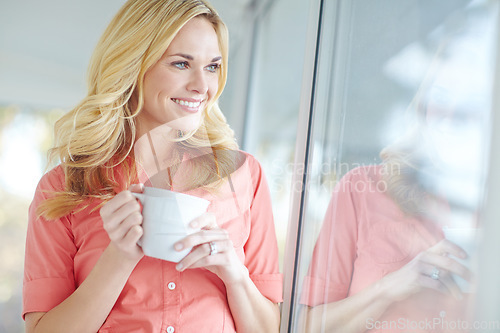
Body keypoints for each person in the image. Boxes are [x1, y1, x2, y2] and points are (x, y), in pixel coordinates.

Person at [23, 1, 282, 332]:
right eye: (180, 64)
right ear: (133, 64)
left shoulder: (245, 176)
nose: (202, 87)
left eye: (213, 67)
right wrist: (118, 258)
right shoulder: (63, 188)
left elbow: (268, 328)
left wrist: (235, 274)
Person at [298, 52, 480, 332]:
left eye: (469, 101)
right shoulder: (364, 188)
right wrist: (390, 286)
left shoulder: (483, 209)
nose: (451, 113)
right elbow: (309, 326)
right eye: (442, 97)